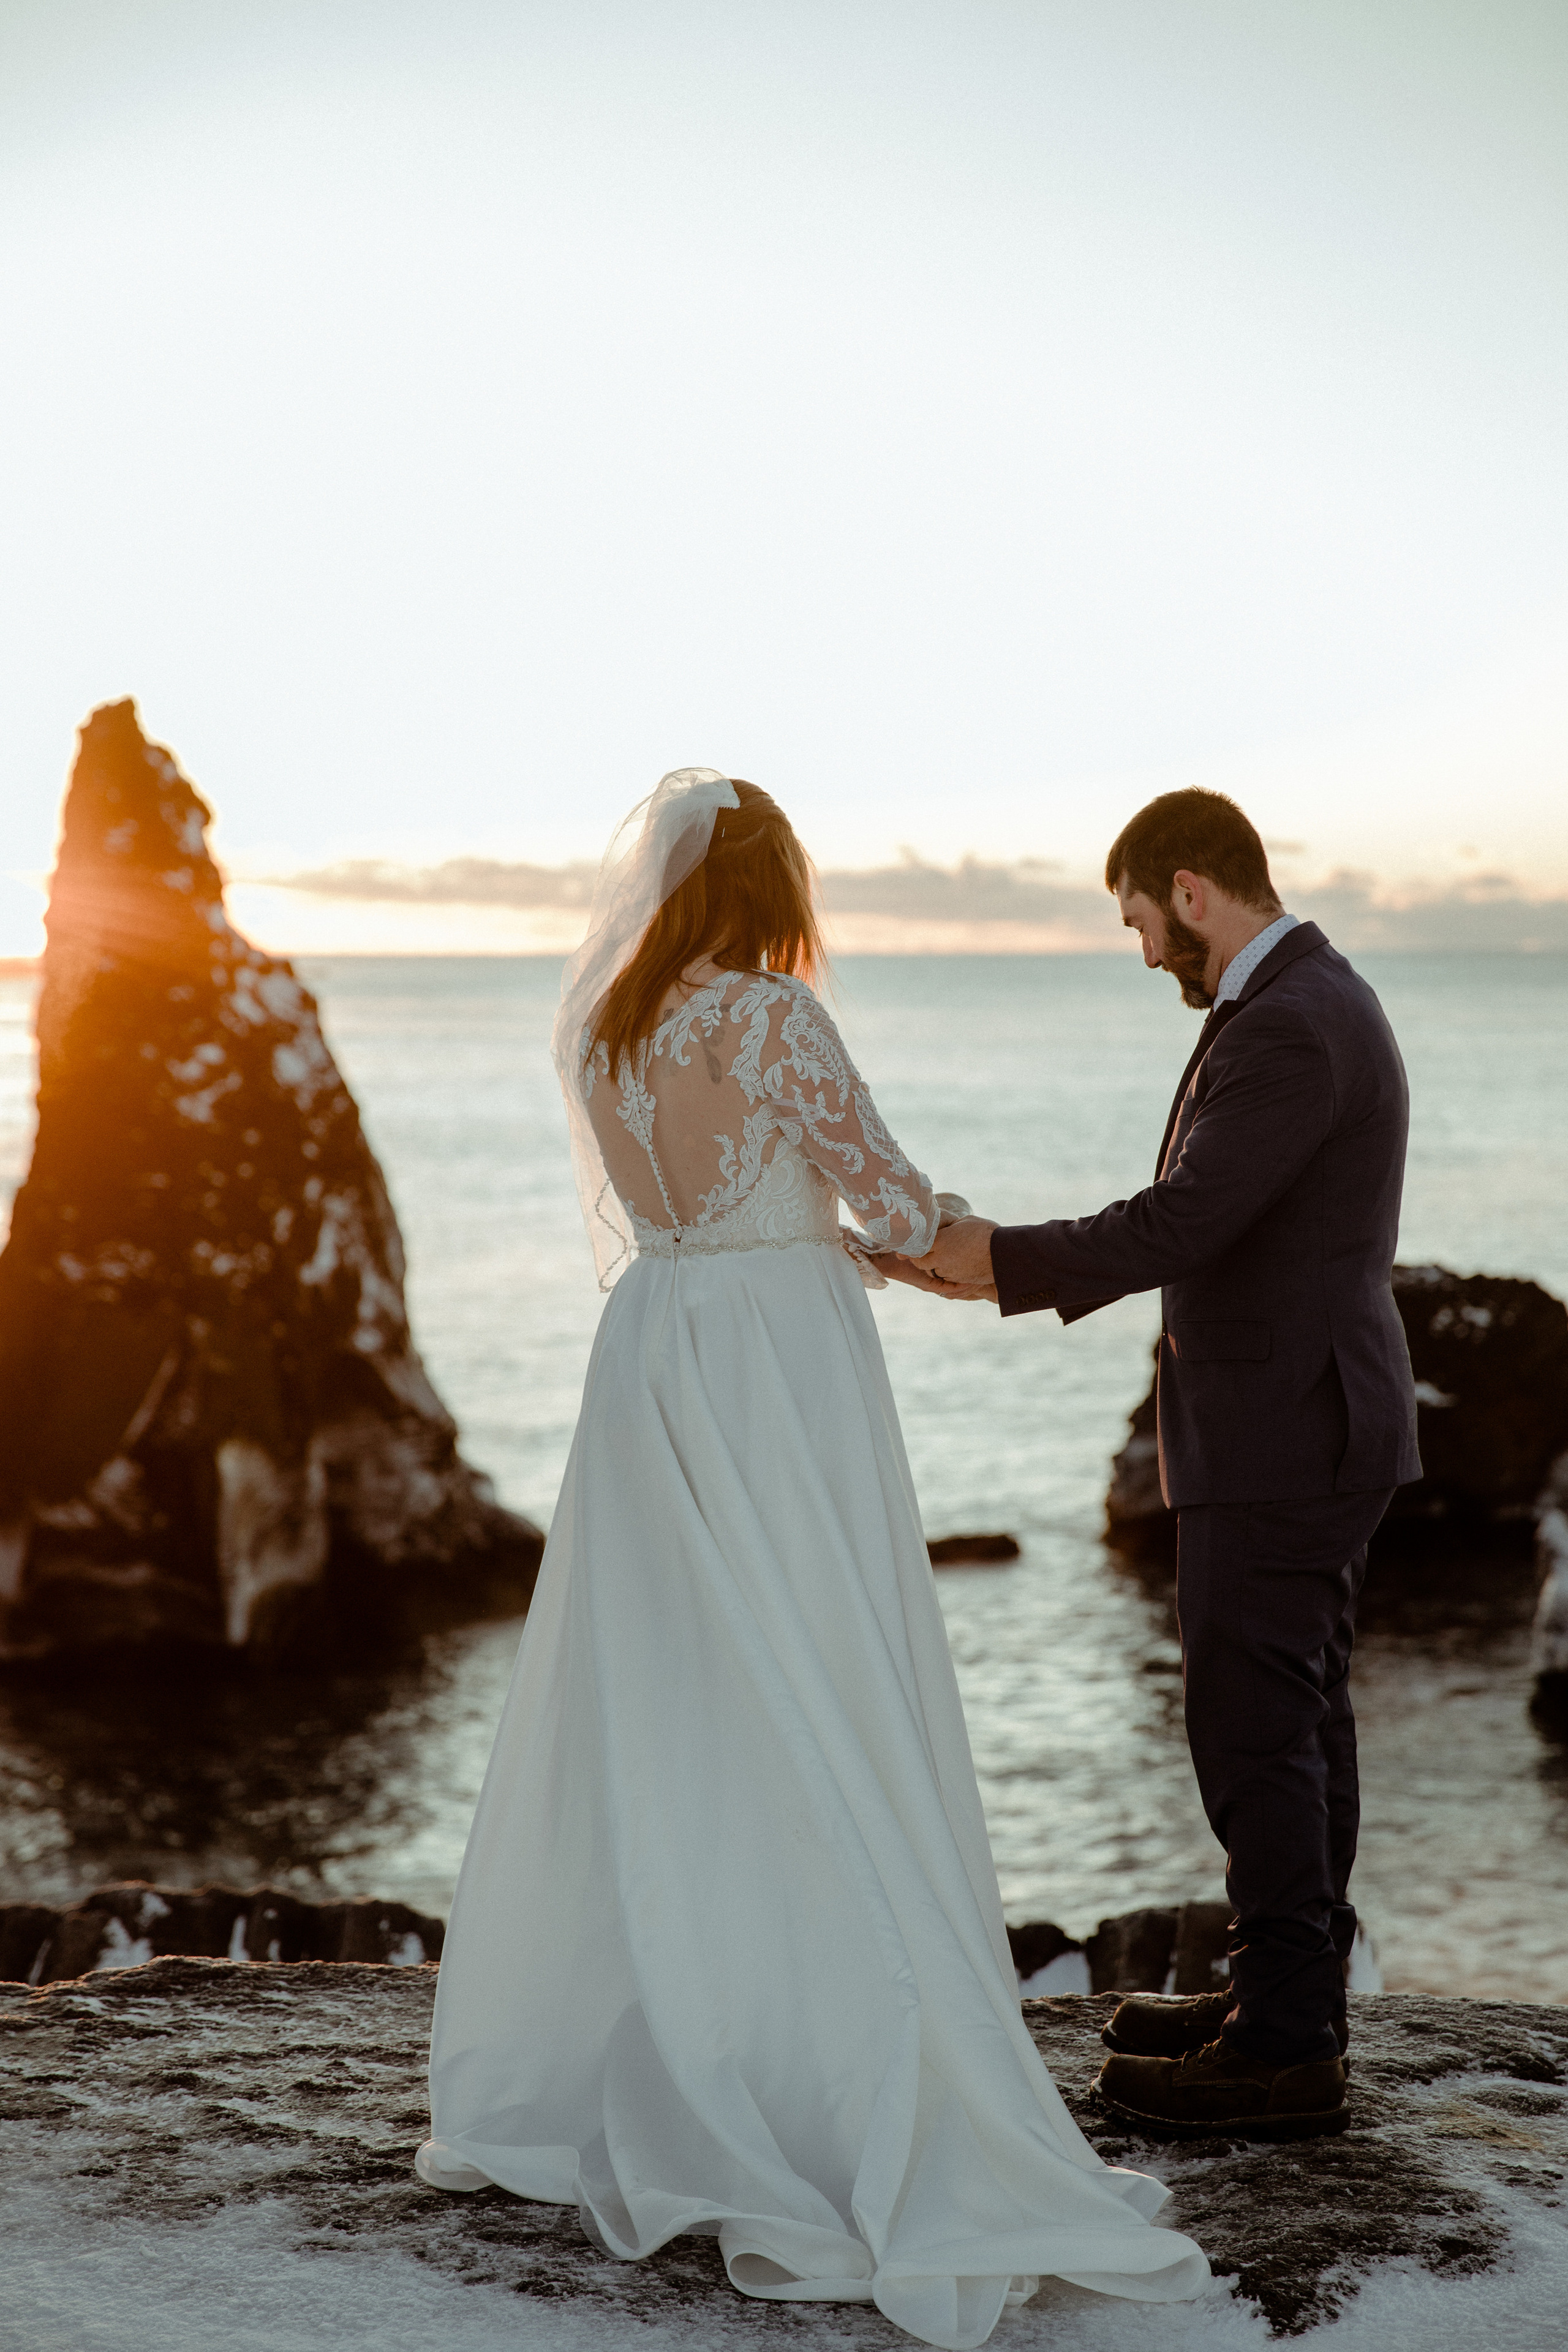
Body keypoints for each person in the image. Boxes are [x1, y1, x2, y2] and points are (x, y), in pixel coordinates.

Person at [415, 771, 1210, 2349]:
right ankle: (829, 2063)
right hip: (779, 1365)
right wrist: (932, 1238)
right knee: (818, 1679)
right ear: (768, 891)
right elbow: (895, 1196)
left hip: (652, 1350)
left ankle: (663, 2020)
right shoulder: (771, 1022)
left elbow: (663, 1202)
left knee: (671, 1698)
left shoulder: (598, 1031)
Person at [905, 787, 1419, 2141]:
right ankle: (1280, 2000)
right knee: (1294, 1722)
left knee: (1252, 1727)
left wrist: (998, 1259)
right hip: (1303, 1420)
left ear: (1188, 891)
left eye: (1137, 919)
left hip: (1283, 1434)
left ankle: (1285, 2049)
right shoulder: (1303, 1003)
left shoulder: (1294, 1025)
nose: (1140, 952)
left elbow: (1186, 1218)